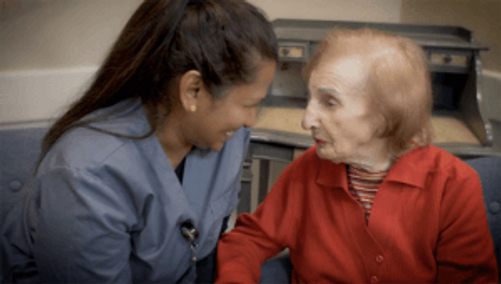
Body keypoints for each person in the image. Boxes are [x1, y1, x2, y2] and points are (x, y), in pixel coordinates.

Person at [1, 0, 277, 283]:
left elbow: (205, 251)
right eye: (248, 104)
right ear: (193, 91)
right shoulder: (87, 175)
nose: (250, 121)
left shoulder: (226, 139)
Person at [216, 28, 499, 283]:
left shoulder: (453, 184)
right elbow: (247, 241)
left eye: (329, 102)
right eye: (310, 99)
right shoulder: (307, 170)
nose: (307, 120)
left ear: (385, 116)